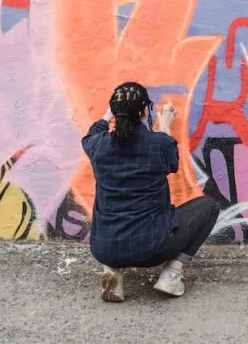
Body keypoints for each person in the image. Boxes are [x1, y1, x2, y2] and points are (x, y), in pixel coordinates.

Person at [81, 82, 220, 302]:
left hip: (103, 247)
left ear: (114, 111)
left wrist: (106, 116)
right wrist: (164, 125)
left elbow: (90, 136)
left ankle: (113, 271)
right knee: (209, 207)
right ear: (144, 111)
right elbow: (170, 160)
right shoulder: (157, 144)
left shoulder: (98, 145)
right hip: (152, 249)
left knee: (112, 222)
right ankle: (172, 274)